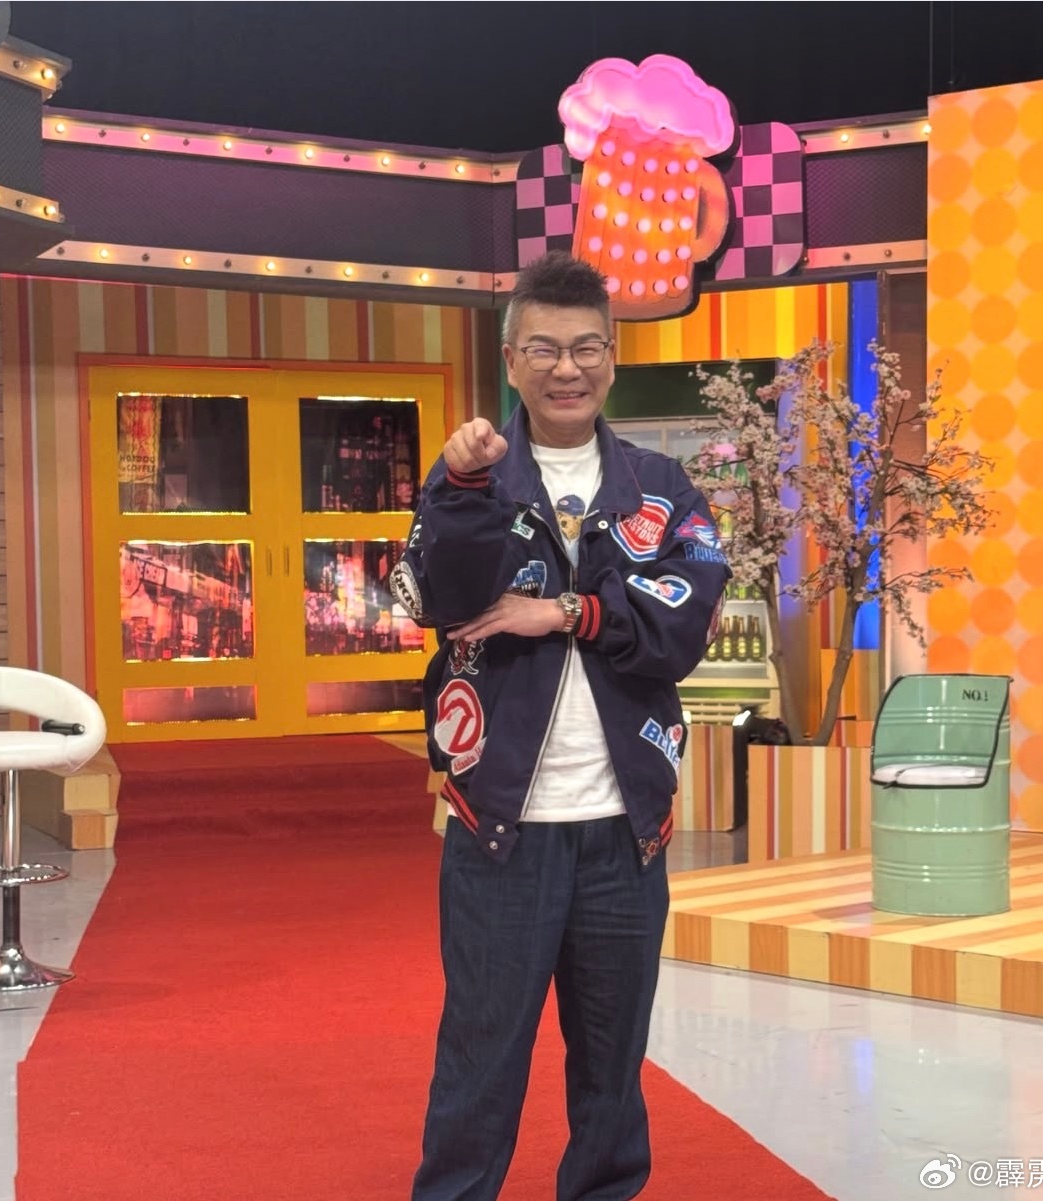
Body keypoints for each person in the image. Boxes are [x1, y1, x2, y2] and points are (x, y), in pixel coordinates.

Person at [393, 251, 731, 1201]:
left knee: (613, 1071)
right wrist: (459, 489)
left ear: (612, 357)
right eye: (543, 349)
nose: (566, 368)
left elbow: (687, 620)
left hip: (626, 833)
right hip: (498, 828)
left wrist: (566, 612)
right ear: (511, 360)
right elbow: (438, 596)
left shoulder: (663, 488)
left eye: (586, 347)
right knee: (479, 1061)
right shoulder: (472, 479)